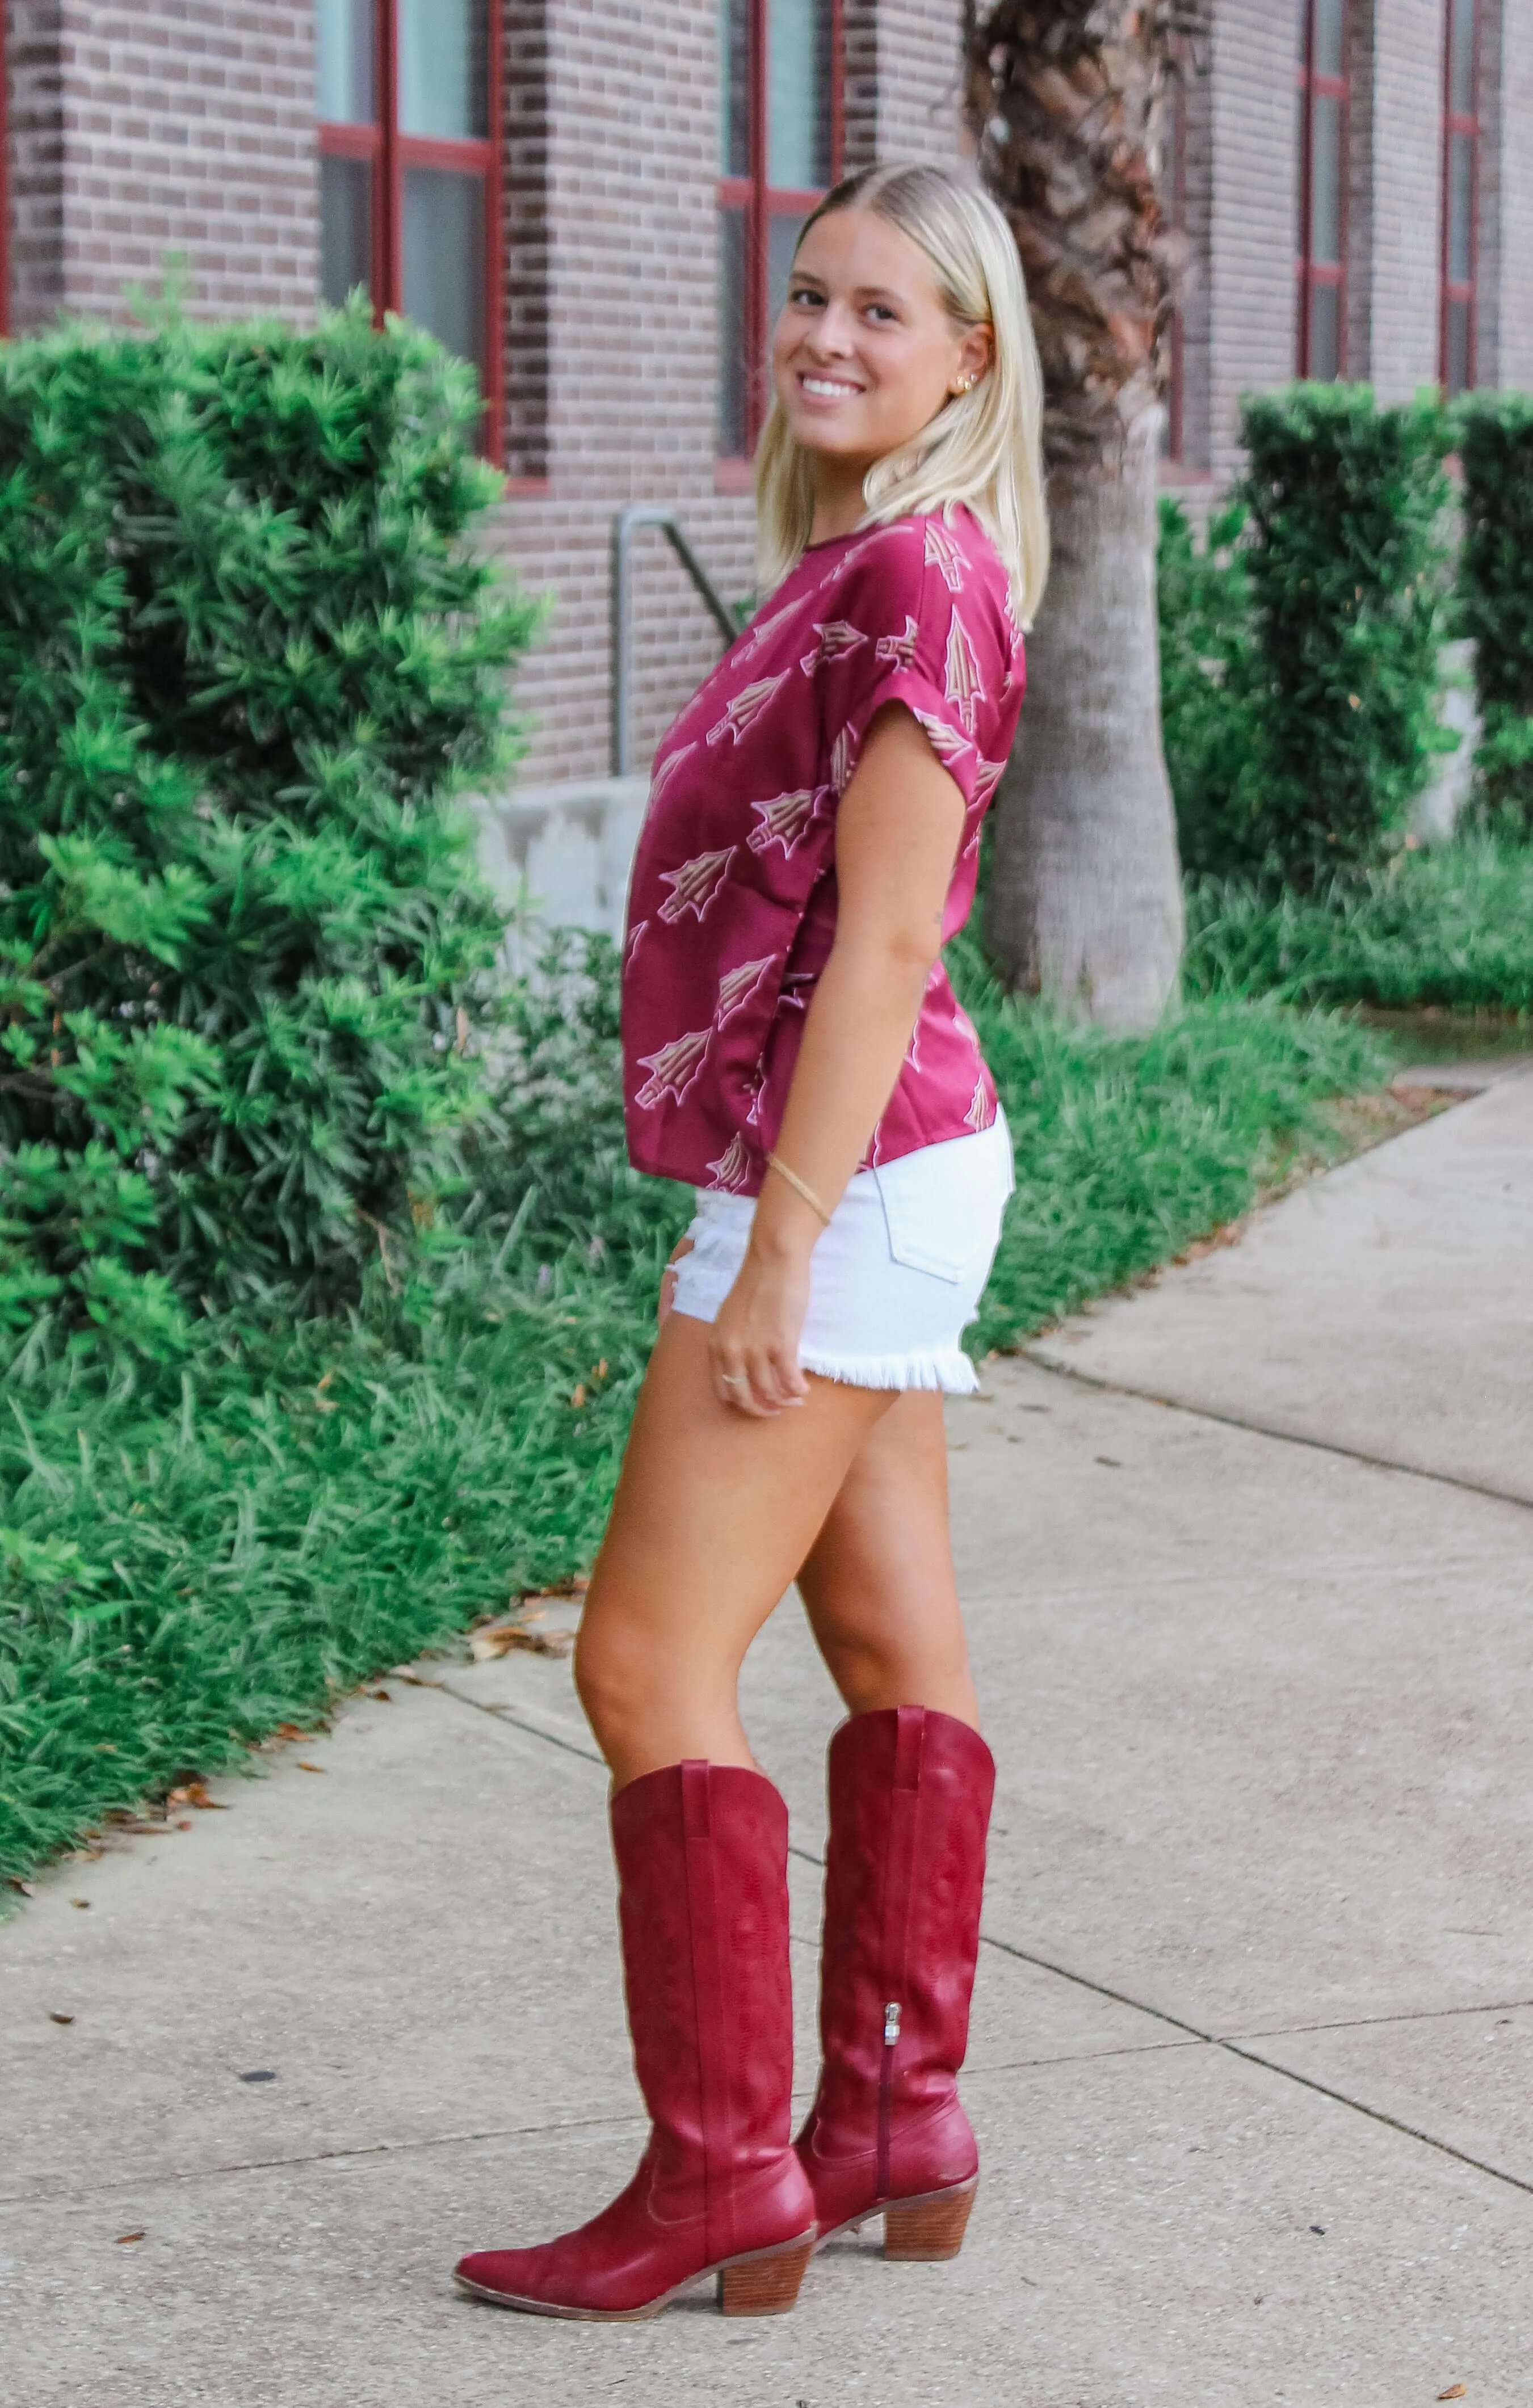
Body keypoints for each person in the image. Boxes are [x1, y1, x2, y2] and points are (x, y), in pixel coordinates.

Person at [455, 159, 1049, 2323]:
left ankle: (720, 2175)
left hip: (849, 1171)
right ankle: (889, 2115)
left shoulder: (918, 582)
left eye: (880, 312)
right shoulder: (875, 558)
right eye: (807, 297)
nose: (822, 337)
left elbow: (886, 933)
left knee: (640, 1662)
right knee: (892, 1649)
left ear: (969, 354)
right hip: (876, 1159)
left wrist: (777, 1254)